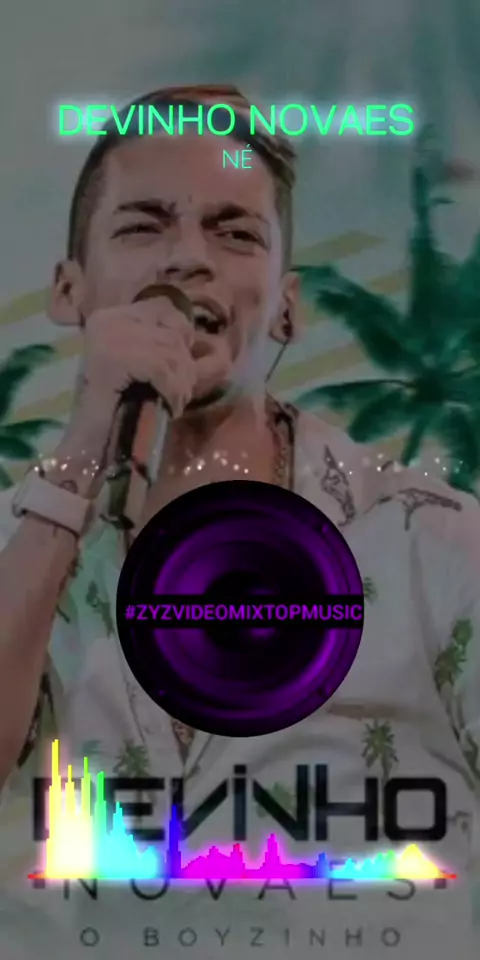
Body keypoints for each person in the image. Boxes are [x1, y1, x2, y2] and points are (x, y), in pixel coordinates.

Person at [0, 84, 478, 960]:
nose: (188, 257)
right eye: (143, 225)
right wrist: (80, 454)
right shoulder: (12, 547)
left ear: (288, 306)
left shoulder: (431, 544)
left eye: (235, 233)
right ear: (69, 290)